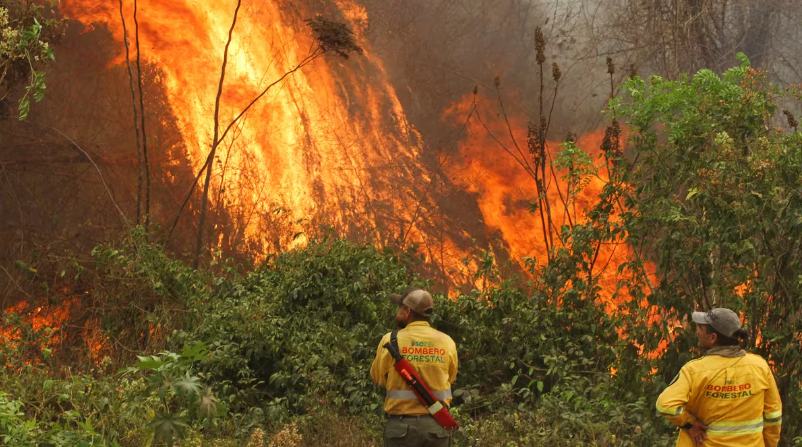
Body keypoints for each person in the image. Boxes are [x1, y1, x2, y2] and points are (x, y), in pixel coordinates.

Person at [656, 308, 782, 447]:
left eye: (701, 329)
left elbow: (665, 405)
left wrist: (690, 424)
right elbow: (773, 416)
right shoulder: (760, 366)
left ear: (713, 338)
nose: (697, 332)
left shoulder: (694, 371)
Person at [370, 287, 459, 447]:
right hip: (437, 428)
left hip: (401, 430)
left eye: (400, 308)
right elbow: (450, 379)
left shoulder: (390, 340)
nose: (398, 312)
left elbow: (378, 379)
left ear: (408, 311)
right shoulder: (447, 342)